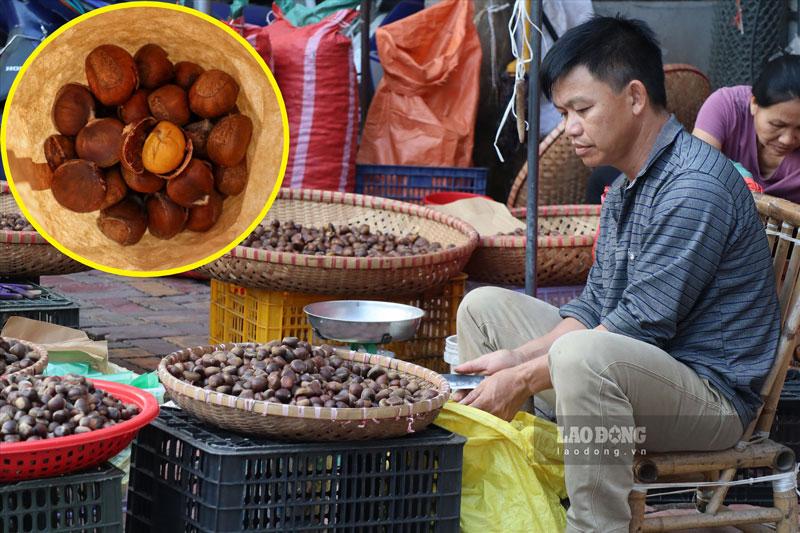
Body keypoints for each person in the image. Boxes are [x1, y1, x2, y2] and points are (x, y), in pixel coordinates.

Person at [454, 15, 780, 532]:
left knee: (582, 355)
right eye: (563, 112)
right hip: (639, 372)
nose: (570, 128)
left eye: (582, 109)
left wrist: (519, 378)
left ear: (633, 97)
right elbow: (595, 305)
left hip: (711, 400)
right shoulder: (630, 183)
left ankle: (592, 523)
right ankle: (523, 491)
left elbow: (637, 326)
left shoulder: (692, 185)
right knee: (485, 308)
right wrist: (515, 359)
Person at [694, 54, 800, 203]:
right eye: (777, 125)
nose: (787, 140)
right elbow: (697, 169)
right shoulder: (726, 106)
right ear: (754, 104)